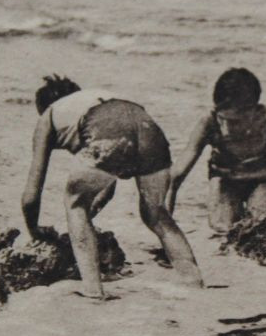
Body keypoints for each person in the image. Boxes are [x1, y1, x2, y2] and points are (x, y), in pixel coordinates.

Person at [22, 76, 204, 301]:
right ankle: (194, 283)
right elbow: (116, 162)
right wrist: (97, 202)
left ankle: (92, 290)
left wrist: (35, 231)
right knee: (156, 212)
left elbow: (31, 195)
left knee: (75, 203)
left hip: (106, 133)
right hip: (150, 131)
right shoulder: (99, 98)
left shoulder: (50, 114)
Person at [166, 68, 266, 232]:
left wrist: (242, 175)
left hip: (263, 178)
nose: (227, 127)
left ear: (254, 109)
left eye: (235, 122)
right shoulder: (210, 121)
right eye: (224, 119)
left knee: (264, 226)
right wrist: (165, 229)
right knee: (223, 228)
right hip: (226, 181)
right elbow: (175, 177)